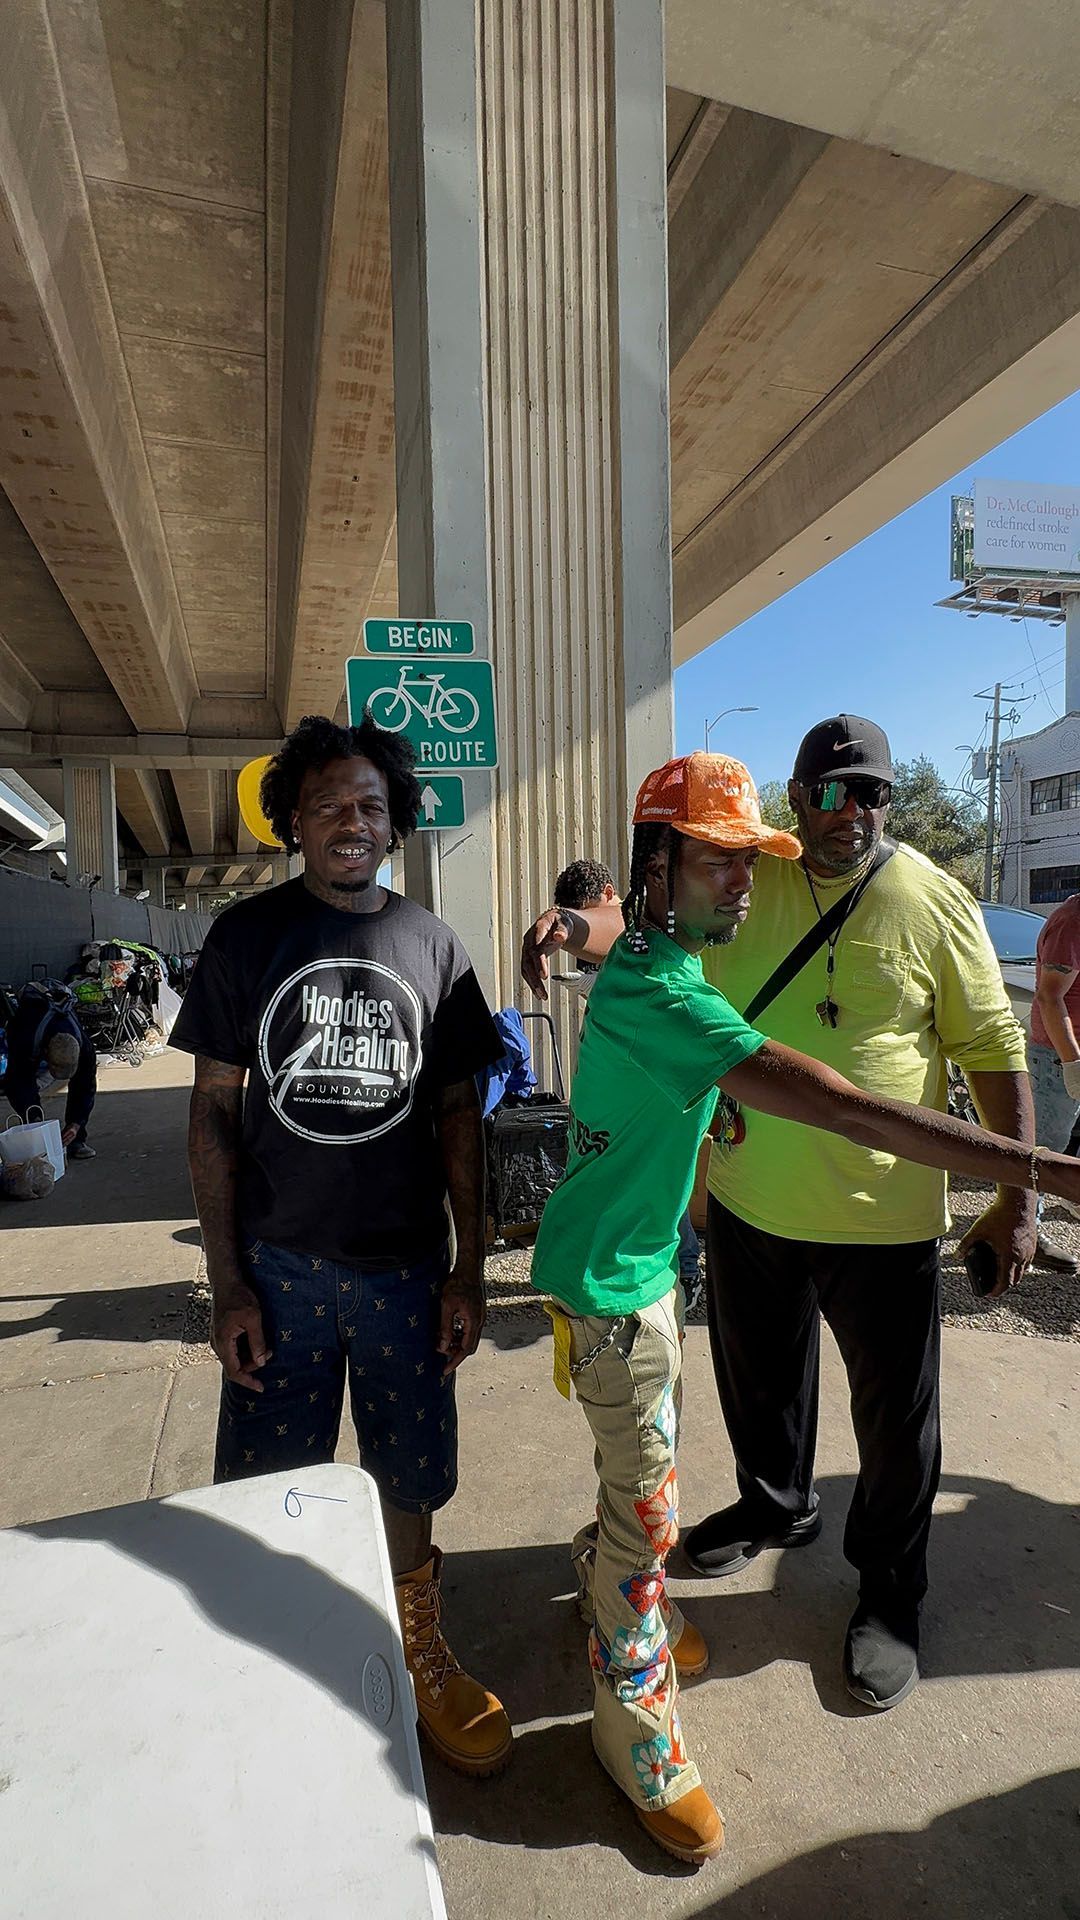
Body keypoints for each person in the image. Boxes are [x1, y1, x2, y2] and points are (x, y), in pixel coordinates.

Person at [528, 749, 1079, 1866]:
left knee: (658, 1475)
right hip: (616, 1296)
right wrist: (1052, 1174)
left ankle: (644, 1583)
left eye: (749, 861)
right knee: (646, 1517)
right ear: (656, 865)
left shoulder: (655, 952)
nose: (744, 883)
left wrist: (573, 927)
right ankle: (632, 1723)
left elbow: (609, 936)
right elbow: (843, 1107)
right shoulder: (669, 994)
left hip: (626, 1271)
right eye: (719, 862)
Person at [170, 714, 511, 1778]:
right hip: (280, 1274)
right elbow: (212, 1113)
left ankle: (416, 1647)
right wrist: (228, 1283)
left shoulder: (434, 948)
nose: (350, 822)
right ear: (294, 823)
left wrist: (467, 1268)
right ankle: (279, 1657)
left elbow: (460, 1116)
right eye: (325, 805)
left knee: (408, 1478)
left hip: (406, 1274)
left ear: (395, 820)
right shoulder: (246, 939)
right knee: (271, 1486)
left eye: (369, 804)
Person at [1026, 891, 1080, 1272]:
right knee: (1040, 1151)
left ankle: (1069, 1192)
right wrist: (1072, 1063)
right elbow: (1049, 997)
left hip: (1070, 1055)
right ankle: (1026, 1232)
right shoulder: (1072, 922)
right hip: (1056, 1058)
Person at [1, 983, 97, 1160]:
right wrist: (35, 1118)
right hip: (31, 1024)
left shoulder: (85, 1049)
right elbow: (17, 1082)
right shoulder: (25, 1037)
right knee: (22, 1087)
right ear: (45, 1053)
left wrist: (76, 1123)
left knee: (83, 1083)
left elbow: (86, 1086)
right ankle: (35, 1134)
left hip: (56, 1029)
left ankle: (76, 1140)